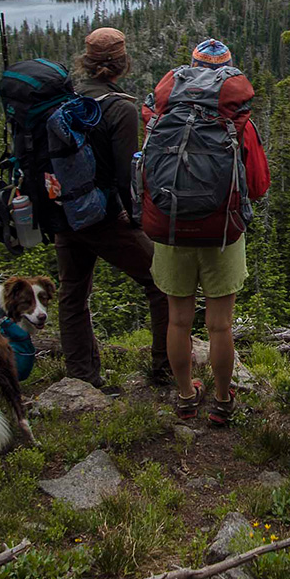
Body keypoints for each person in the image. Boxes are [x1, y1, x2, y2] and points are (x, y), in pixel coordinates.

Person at [141, 38, 270, 426]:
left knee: (178, 320)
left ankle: (184, 396)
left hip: (172, 228)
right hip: (221, 232)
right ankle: (222, 400)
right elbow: (260, 185)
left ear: (191, 70)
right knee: (220, 325)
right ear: (228, 73)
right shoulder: (237, 124)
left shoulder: (160, 119)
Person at [57, 27, 170, 387]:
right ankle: (164, 367)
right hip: (102, 216)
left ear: (86, 63)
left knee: (73, 293)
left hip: (65, 211)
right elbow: (126, 177)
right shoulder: (119, 107)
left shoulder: (67, 99)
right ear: (122, 63)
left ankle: (82, 377)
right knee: (162, 282)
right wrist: (137, 222)